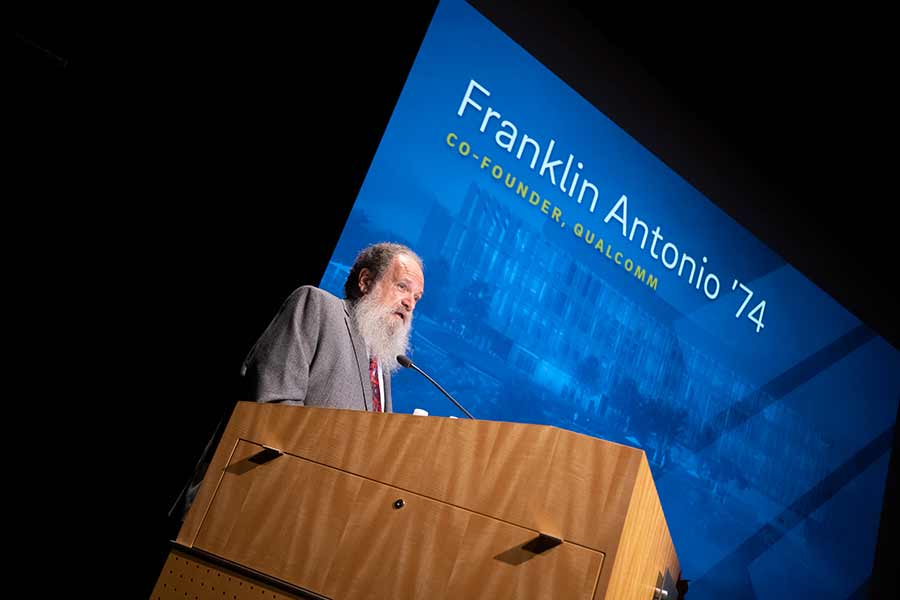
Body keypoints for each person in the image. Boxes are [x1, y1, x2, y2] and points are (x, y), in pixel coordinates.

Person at [240, 242, 425, 412]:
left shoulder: (380, 363)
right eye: (402, 287)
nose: (410, 304)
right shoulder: (315, 306)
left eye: (416, 297)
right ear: (366, 281)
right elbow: (273, 403)